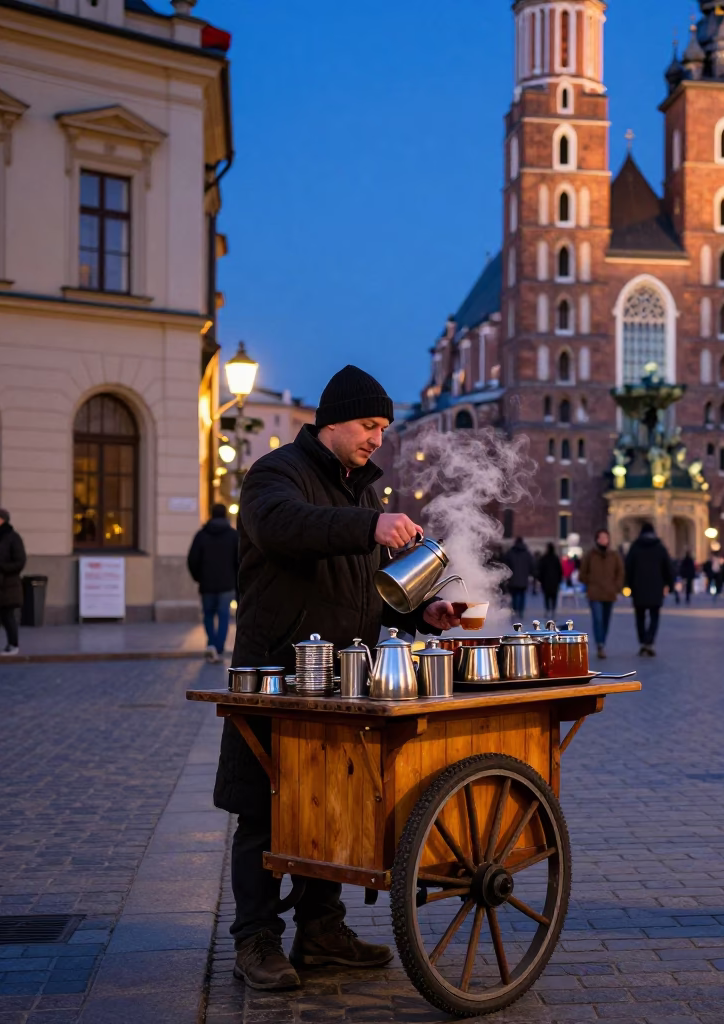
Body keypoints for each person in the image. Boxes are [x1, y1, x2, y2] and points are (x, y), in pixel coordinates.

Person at [214, 365, 463, 991]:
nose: (378, 437)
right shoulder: (276, 474)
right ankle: (256, 939)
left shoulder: (360, 490)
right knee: (266, 806)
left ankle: (323, 930)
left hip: (342, 678)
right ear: (331, 422)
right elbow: (284, 527)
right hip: (278, 671)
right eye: (368, 425)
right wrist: (367, 527)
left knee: (330, 803)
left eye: (383, 427)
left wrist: (422, 612)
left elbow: (365, 594)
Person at [187, 503, 240, 663]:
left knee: (208, 614)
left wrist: (198, 577)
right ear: (225, 515)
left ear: (211, 514)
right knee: (224, 616)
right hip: (227, 584)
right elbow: (239, 561)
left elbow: (192, 559)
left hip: (207, 584)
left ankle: (211, 643)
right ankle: (219, 647)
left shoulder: (201, 535)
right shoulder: (233, 535)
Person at [624, 523, 673, 657]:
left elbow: (628, 567)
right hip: (656, 587)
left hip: (638, 587)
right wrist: (669, 584)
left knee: (639, 617)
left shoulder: (635, 547)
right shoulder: (660, 547)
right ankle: (649, 641)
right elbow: (668, 567)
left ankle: (642, 641)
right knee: (654, 616)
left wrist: (627, 585)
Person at [579, 529, 625, 659]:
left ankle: (602, 641)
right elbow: (582, 573)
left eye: (606, 537)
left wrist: (617, 586)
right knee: (597, 619)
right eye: (601, 537)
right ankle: (600, 644)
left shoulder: (614, 555)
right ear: (597, 539)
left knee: (605, 620)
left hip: (609, 593)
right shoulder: (590, 555)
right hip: (595, 593)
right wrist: (591, 582)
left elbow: (620, 572)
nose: (604, 540)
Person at [0, 508, 26, 656]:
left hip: (8, 586)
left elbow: (20, 562)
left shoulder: (13, 537)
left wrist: (1, 566)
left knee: (8, 616)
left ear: (1, 519)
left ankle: (13, 645)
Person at [502, 537, 533, 618]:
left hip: (513, 580)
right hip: (523, 579)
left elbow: (505, 565)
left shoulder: (510, 553)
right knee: (522, 595)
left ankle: (515, 610)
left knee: (514, 596)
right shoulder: (527, 553)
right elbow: (531, 565)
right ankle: (521, 611)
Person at [536, 543, 563, 617]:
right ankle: (553, 610)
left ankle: (547, 610)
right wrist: (559, 580)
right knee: (554, 597)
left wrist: (540, 579)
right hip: (554, 581)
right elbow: (560, 570)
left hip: (546, 581)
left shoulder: (544, 558)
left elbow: (540, 570)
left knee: (546, 597)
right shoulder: (555, 558)